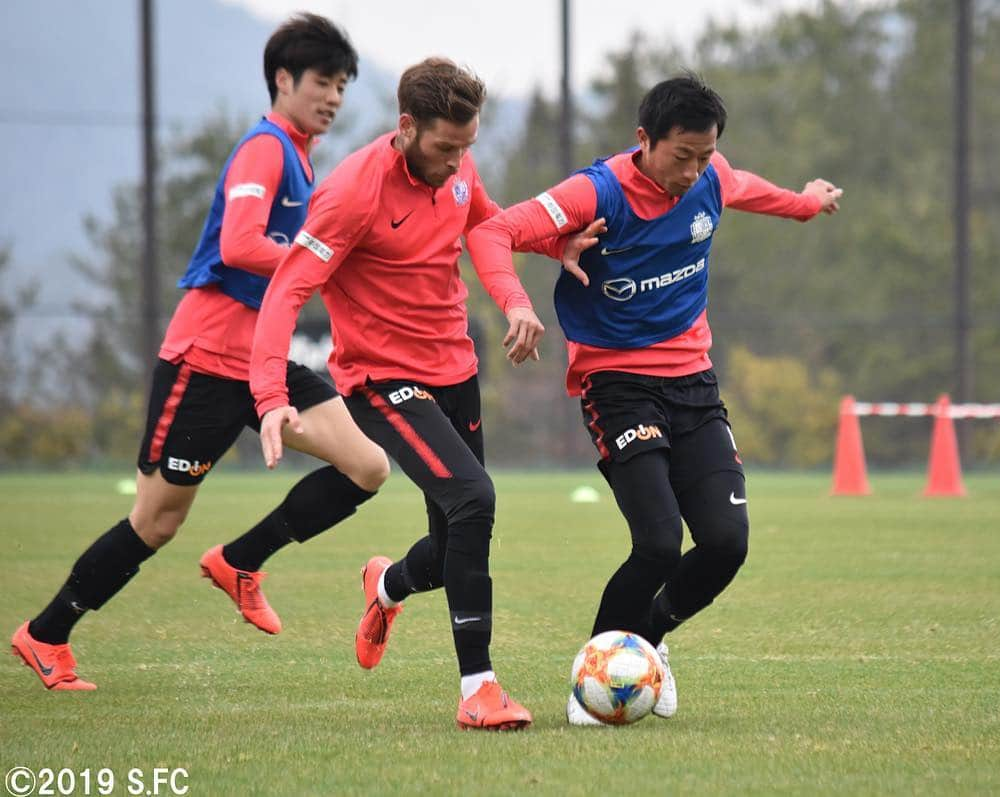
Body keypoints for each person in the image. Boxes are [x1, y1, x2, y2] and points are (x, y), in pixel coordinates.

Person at [11, 13, 389, 692]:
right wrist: (314, 265)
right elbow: (240, 244)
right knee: (155, 521)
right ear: (283, 79)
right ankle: (45, 632)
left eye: (341, 86)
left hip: (264, 360)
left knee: (365, 465)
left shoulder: (301, 156)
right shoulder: (265, 149)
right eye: (323, 82)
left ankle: (241, 561)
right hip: (206, 360)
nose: (334, 97)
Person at [466, 73, 843, 725]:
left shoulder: (712, 178)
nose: (695, 171)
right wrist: (521, 303)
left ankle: (651, 640)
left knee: (727, 543)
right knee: (660, 543)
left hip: (694, 385)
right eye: (681, 156)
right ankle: (594, 674)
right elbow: (493, 233)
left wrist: (808, 202)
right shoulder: (598, 191)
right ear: (644, 140)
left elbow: (760, 193)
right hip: (618, 387)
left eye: (705, 155)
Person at [249, 57, 594, 730]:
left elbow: (488, 224)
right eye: (444, 148)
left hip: (454, 369)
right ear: (406, 127)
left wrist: (557, 247)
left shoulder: (458, 166)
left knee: (452, 542)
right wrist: (268, 393)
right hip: (381, 380)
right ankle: (480, 688)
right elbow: (287, 288)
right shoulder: (353, 193)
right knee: (476, 498)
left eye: (466, 148)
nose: (456, 163)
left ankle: (384, 586)